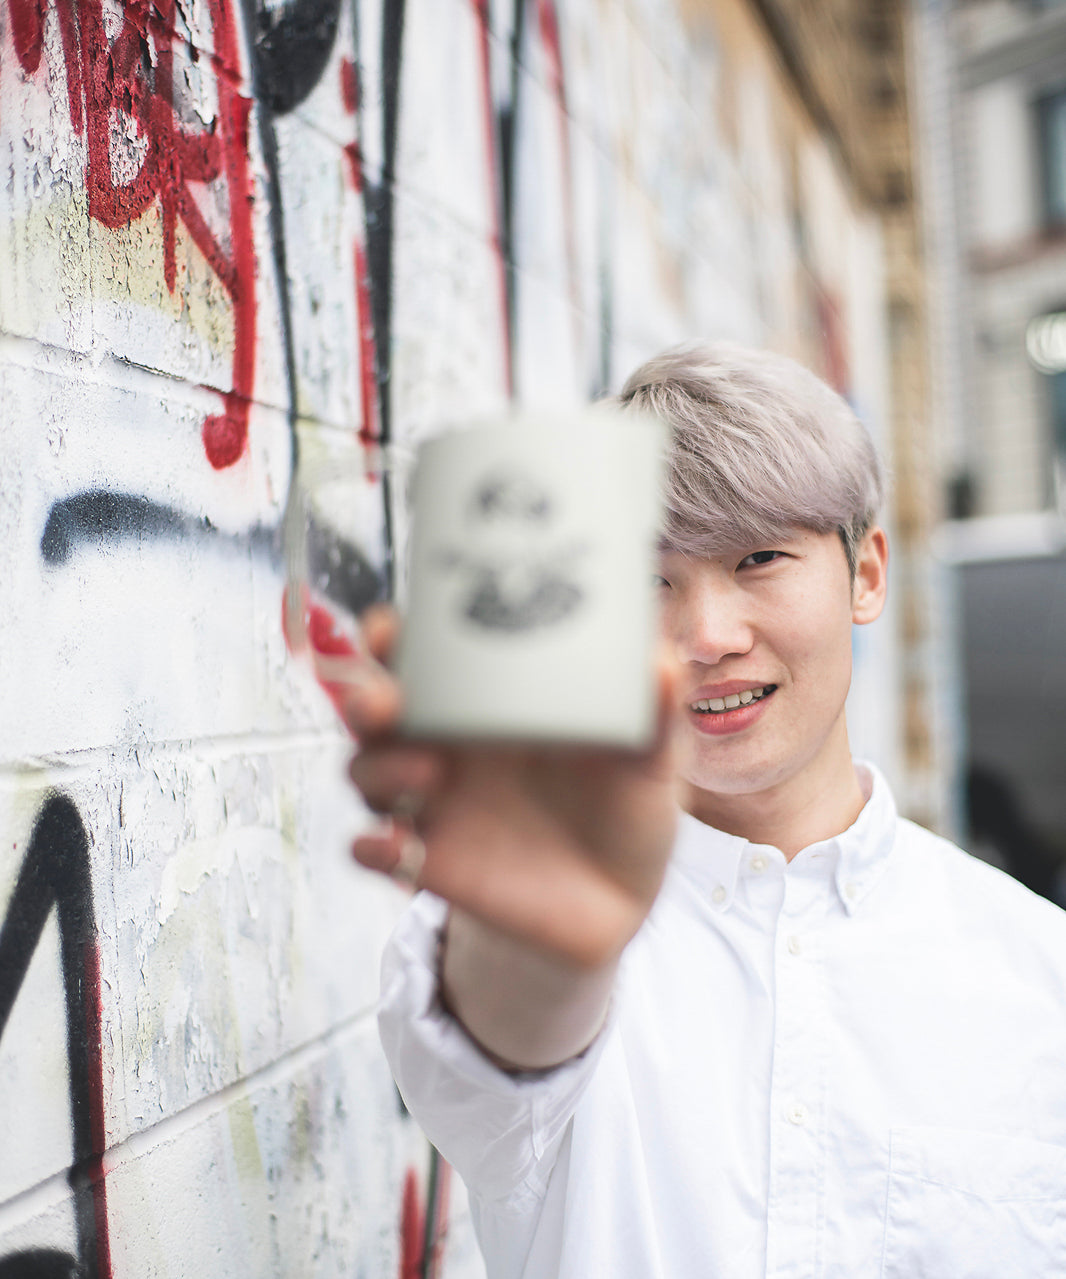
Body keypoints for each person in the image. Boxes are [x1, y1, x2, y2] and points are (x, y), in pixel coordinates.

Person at [340, 343, 1066, 1278]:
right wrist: (550, 952)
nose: (709, 637)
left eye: (760, 558)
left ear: (866, 573)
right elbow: (507, 1030)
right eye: (650, 581)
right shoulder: (538, 910)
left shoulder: (1039, 972)